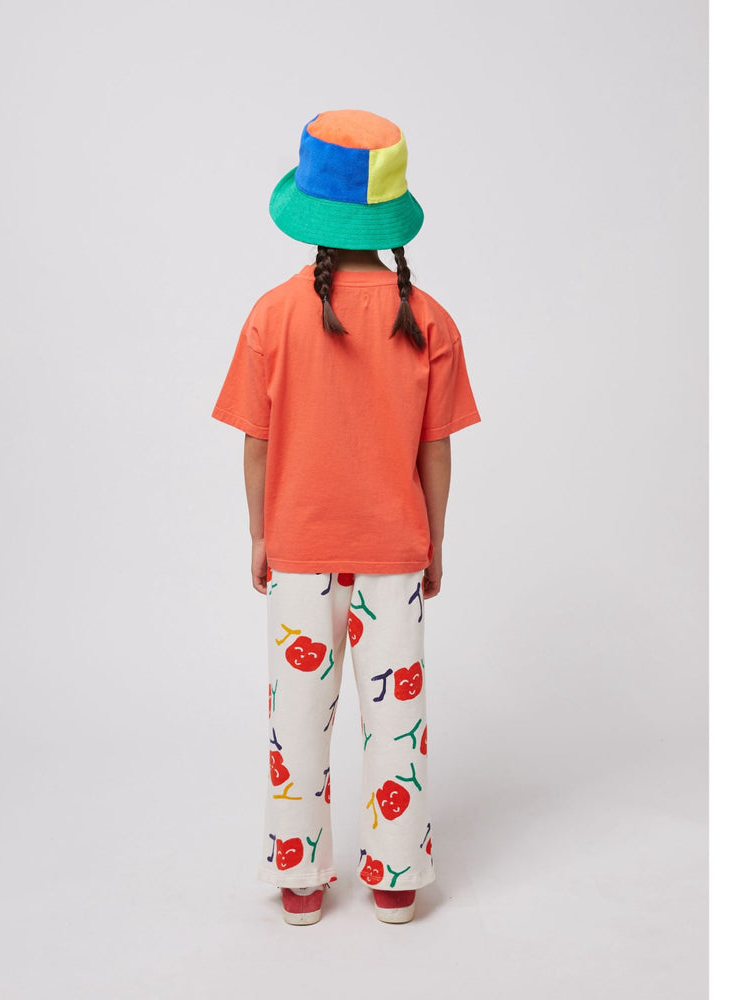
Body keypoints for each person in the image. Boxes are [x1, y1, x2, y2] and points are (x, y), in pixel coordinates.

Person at [211, 110, 481, 925]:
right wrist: (434, 541)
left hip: (300, 551)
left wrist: (260, 534)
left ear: (310, 212)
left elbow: (256, 445)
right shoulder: (428, 318)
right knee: (397, 720)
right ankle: (396, 877)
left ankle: (299, 880)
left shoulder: (272, 314)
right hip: (395, 552)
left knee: (297, 717)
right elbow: (436, 449)